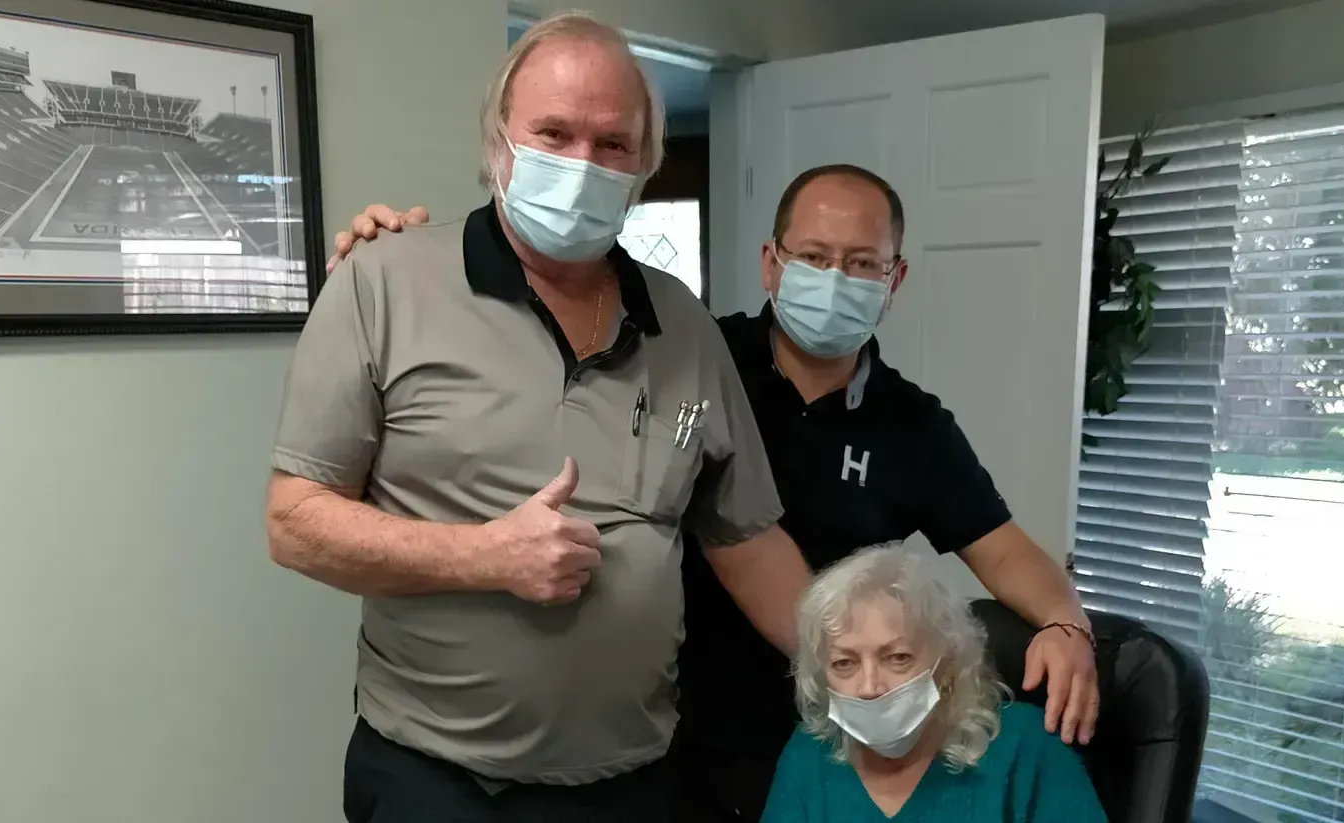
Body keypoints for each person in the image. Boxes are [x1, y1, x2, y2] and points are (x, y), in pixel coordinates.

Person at [330, 166, 1101, 822]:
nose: (836, 279)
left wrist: (1067, 624)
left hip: (832, 744)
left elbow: (1006, 552)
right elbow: (549, 328)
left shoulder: (916, 427)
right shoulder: (689, 353)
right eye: (815, 256)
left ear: (894, 279)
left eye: (863, 264)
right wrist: (401, 268)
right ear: (771, 262)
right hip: (666, 738)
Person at [265, 12, 814, 822]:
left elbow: (744, 536)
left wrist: (858, 663)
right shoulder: (381, 284)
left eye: (612, 144)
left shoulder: (685, 325)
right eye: (553, 133)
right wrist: (483, 555)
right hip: (441, 783)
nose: (582, 164)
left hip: (636, 780)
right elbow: (296, 523)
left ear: (644, 165)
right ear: (498, 143)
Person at [763, 545, 1107, 822]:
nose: (869, 687)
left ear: (948, 664)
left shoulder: (1026, 748)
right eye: (843, 663)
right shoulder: (809, 753)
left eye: (897, 658)